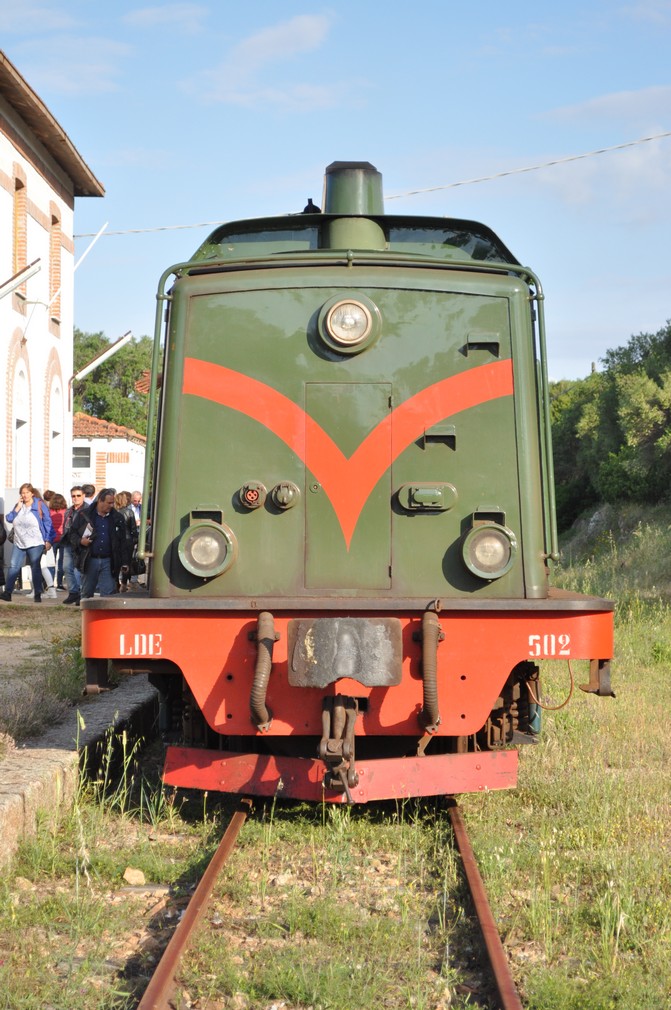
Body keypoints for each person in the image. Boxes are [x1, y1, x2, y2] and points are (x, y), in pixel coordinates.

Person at [70, 488, 132, 599]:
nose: (111, 505)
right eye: (109, 503)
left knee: (108, 594)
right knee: (86, 593)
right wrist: (81, 541)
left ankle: (106, 616)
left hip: (109, 561)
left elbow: (123, 542)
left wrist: (125, 562)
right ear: (100, 501)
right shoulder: (84, 515)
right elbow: (72, 534)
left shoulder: (117, 518)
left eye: (112, 502)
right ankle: (86, 614)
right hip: (89, 559)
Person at [1, 483, 56, 603]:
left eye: (27, 492)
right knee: (14, 566)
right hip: (19, 541)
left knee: (35, 567)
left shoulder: (39, 505)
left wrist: (48, 540)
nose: (24, 495)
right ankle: (8, 593)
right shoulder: (19, 505)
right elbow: (9, 518)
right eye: (22, 493)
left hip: (36, 541)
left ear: (32, 493)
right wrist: (17, 507)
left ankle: (37, 593)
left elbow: (48, 523)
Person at [61, 486, 86, 605]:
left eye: (78, 496)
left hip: (80, 543)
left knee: (78, 569)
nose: (75, 498)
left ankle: (81, 593)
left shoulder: (88, 509)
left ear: (83, 496)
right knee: (67, 567)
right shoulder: (69, 510)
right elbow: (65, 526)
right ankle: (73, 592)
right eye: (73, 496)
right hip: (68, 542)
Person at [114, 491, 137, 591]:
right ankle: (124, 583)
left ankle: (115, 583)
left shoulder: (112, 512)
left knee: (115, 562)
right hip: (128, 540)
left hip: (116, 540)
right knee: (126, 562)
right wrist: (136, 539)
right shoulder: (129, 512)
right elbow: (133, 529)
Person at [48, 492, 67, 589]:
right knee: (62, 562)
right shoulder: (66, 512)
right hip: (63, 539)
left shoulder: (49, 512)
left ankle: (50, 583)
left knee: (51, 562)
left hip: (52, 539)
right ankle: (60, 583)